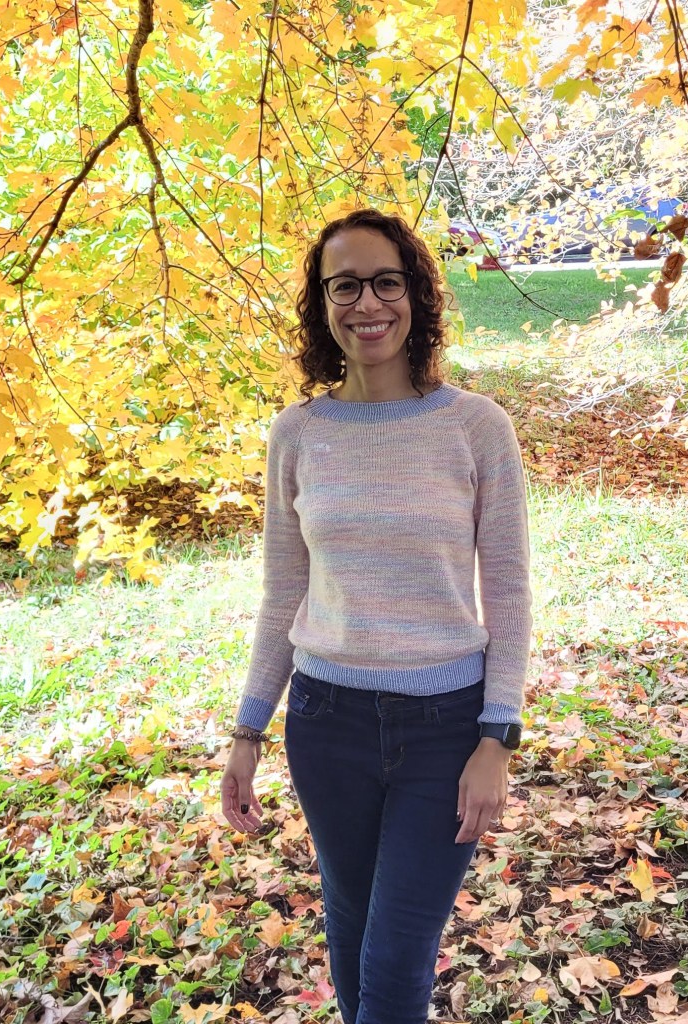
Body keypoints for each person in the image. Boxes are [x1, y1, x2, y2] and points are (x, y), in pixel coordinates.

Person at [221, 208, 532, 1024]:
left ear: (417, 294)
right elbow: (282, 592)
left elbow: (508, 591)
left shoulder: (476, 427)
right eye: (344, 285)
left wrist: (498, 736)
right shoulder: (298, 434)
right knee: (355, 932)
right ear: (322, 304)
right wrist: (247, 730)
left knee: (396, 957)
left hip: (446, 730)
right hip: (327, 725)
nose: (368, 303)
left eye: (386, 281)